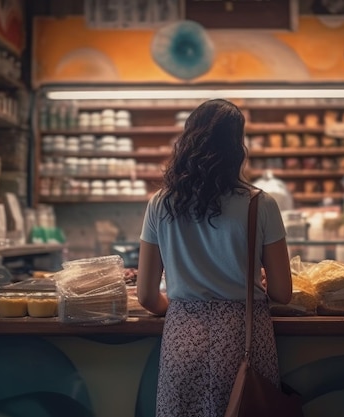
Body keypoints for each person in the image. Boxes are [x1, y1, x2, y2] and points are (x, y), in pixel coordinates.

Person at [137, 98, 293, 417]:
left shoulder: (159, 204)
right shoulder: (260, 204)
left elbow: (146, 296)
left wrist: (182, 306)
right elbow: (282, 292)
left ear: (187, 141)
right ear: (238, 147)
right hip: (243, 339)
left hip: (183, 337)